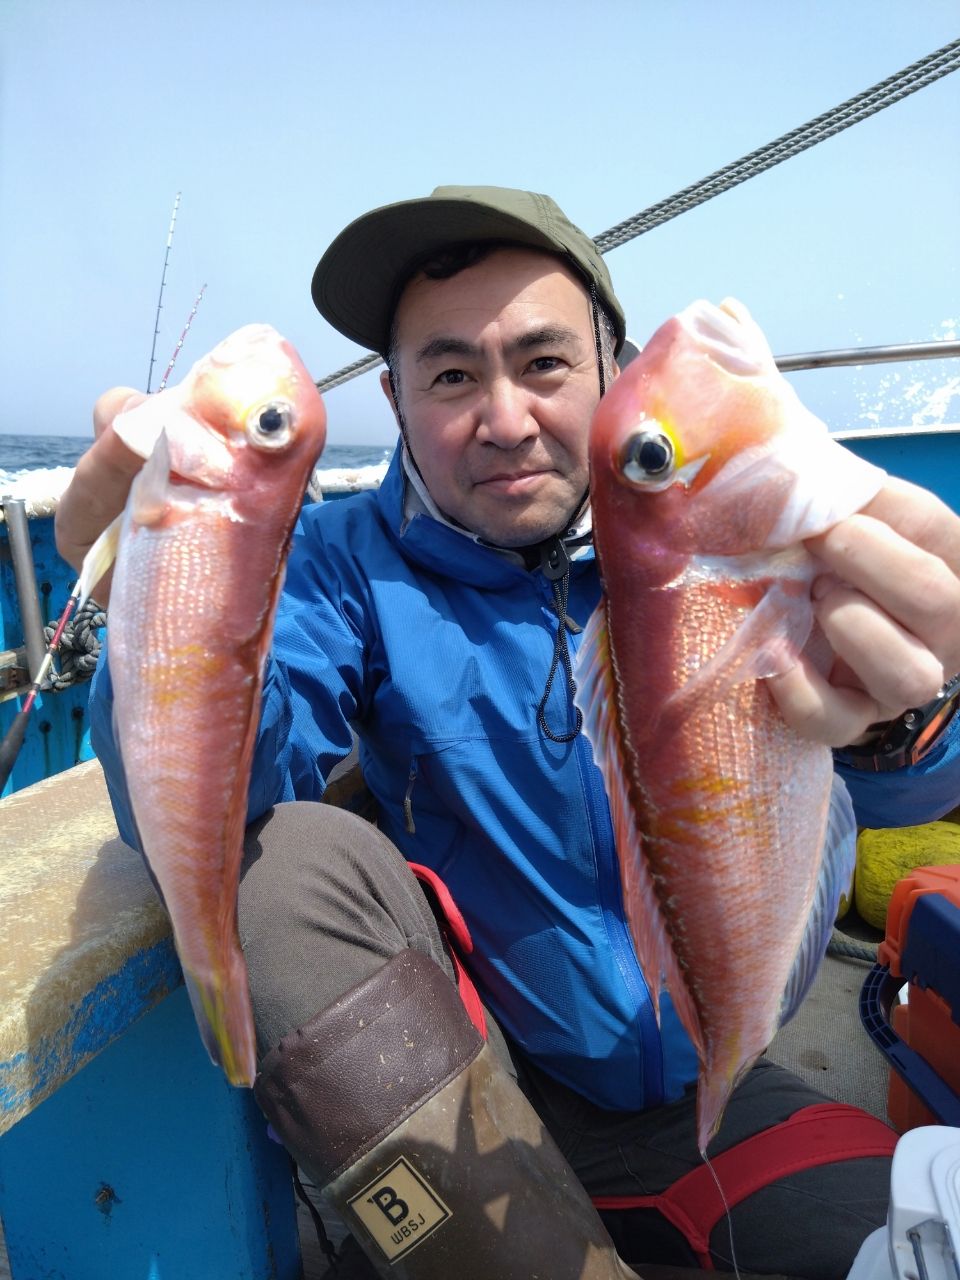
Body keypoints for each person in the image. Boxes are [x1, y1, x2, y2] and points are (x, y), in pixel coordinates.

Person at [58, 186, 960, 1280]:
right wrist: (165, 611)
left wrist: (904, 706)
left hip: (718, 1097)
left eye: (542, 363)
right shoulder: (339, 561)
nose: (505, 417)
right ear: (393, 400)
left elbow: (903, 802)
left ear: (610, 371)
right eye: (449, 375)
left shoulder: (737, 526)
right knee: (287, 861)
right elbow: (227, 788)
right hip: (469, 1082)